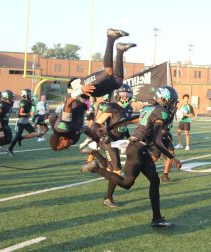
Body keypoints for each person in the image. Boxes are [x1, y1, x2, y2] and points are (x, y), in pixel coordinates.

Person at [81, 86, 182, 227]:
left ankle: (157, 218)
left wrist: (110, 127)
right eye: (172, 101)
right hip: (136, 149)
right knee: (127, 183)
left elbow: (132, 120)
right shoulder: (162, 112)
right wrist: (172, 157)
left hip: (140, 148)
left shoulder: (149, 108)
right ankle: (95, 169)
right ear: (163, 99)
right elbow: (157, 141)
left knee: (154, 180)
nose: (173, 105)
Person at [49, 28, 136, 150]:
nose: (66, 148)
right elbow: (85, 129)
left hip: (81, 90)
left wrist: (81, 90)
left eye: (62, 147)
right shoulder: (72, 138)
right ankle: (120, 50)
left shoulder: (62, 128)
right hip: (87, 95)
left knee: (108, 72)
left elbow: (68, 102)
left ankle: (111, 37)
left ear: (61, 140)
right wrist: (98, 141)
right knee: (118, 82)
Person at [88, 84, 134, 207]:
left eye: (127, 93)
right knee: (117, 170)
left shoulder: (129, 108)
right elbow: (95, 125)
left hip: (119, 141)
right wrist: (103, 137)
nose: (125, 96)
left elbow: (124, 126)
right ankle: (108, 198)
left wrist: (129, 137)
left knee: (110, 169)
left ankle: (94, 161)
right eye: (122, 93)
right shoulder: (112, 107)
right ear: (117, 95)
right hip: (109, 140)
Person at [8, 89, 40, 156]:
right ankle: (10, 149)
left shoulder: (29, 101)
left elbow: (34, 103)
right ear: (25, 95)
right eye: (29, 94)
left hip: (26, 122)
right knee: (16, 137)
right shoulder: (23, 102)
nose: (30, 95)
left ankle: (21, 137)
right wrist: (28, 114)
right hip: (20, 122)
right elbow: (19, 114)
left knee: (35, 133)